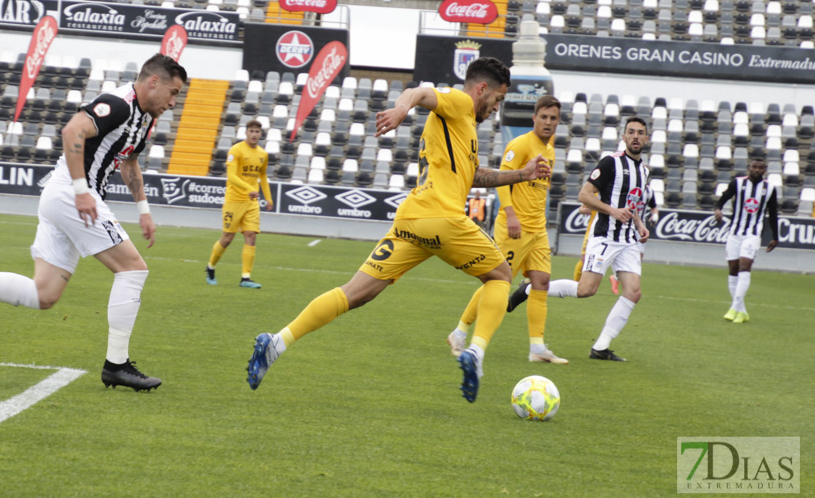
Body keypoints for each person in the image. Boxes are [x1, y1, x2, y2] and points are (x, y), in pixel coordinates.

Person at [246, 57, 551, 402]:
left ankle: (277, 342)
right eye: (497, 99)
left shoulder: (461, 127)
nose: (496, 108)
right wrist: (401, 109)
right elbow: (418, 91)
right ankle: (475, 353)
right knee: (499, 275)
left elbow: (474, 176)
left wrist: (521, 175)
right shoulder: (462, 102)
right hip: (442, 217)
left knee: (356, 292)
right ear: (482, 89)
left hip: (412, 221)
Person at [0, 54, 187, 391]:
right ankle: (116, 364)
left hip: (65, 196)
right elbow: (73, 129)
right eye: (172, 92)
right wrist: (82, 191)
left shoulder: (142, 119)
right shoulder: (120, 104)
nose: (173, 102)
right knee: (133, 269)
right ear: (153, 82)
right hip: (73, 195)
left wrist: (143, 208)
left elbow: (128, 160)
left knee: (44, 294)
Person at [508, 117, 651, 361]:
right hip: (605, 236)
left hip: (628, 240)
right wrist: (613, 210)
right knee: (586, 290)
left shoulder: (644, 170)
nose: (635, 136)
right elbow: (584, 195)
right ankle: (529, 289)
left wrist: (639, 224)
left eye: (640, 133)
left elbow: (632, 203)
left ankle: (601, 347)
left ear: (646, 138)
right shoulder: (610, 163)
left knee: (633, 292)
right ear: (624, 137)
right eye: (631, 132)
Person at [447, 95, 567, 364]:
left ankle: (537, 348)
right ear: (534, 118)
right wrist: (511, 214)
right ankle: (459, 332)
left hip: (537, 229)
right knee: (498, 282)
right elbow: (502, 180)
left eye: (553, 118)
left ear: (558, 122)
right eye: (544, 117)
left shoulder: (550, 150)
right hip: (514, 226)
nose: (548, 122)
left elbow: (538, 189)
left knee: (542, 282)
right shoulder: (521, 144)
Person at [205, 119, 273, 288]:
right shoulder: (236, 150)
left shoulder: (263, 154)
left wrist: (269, 197)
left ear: (260, 134)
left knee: (251, 235)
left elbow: (262, 176)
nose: (254, 134)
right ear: (246, 133)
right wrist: (248, 187)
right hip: (234, 200)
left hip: (251, 202)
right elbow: (232, 176)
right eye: (252, 131)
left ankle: (245, 278)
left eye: (257, 132)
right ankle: (211, 266)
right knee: (227, 238)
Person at [714, 155, 779, 323]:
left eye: (760, 168)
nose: (757, 170)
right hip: (734, 233)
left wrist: (775, 236)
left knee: (745, 267)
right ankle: (742, 311)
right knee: (733, 270)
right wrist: (718, 209)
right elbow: (724, 197)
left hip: (753, 234)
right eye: (754, 167)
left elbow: (773, 214)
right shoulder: (738, 183)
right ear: (750, 168)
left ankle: (733, 308)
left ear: (764, 170)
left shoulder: (770, 189)